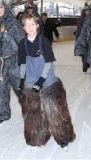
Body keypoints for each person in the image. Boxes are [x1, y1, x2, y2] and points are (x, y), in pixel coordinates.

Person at [18, 14, 75, 148]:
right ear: (23, 27)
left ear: (37, 25)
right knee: (33, 110)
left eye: (33, 24)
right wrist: (21, 81)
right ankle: (37, 136)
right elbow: (22, 64)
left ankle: (63, 135)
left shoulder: (43, 41)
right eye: (27, 25)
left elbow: (48, 62)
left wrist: (41, 81)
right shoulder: (22, 44)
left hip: (47, 77)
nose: (30, 28)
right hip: (31, 78)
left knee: (54, 109)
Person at [74, 3, 91, 72]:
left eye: (88, 11)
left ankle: (88, 64)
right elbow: (79, 30)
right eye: (86, 11)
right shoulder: (81, 21)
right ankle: (85, 65)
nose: (87, 12)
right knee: (83, 53)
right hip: (83, 40)